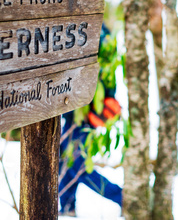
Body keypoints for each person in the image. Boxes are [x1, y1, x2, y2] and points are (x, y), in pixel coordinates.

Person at [58, 24, 123, 216]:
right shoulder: (91, 28)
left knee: (78, 164)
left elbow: (106, 76)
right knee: (65, 160)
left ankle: (120, 196)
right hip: (74, 110)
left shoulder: (99, 32)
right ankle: (68, 206)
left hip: (86, 112)